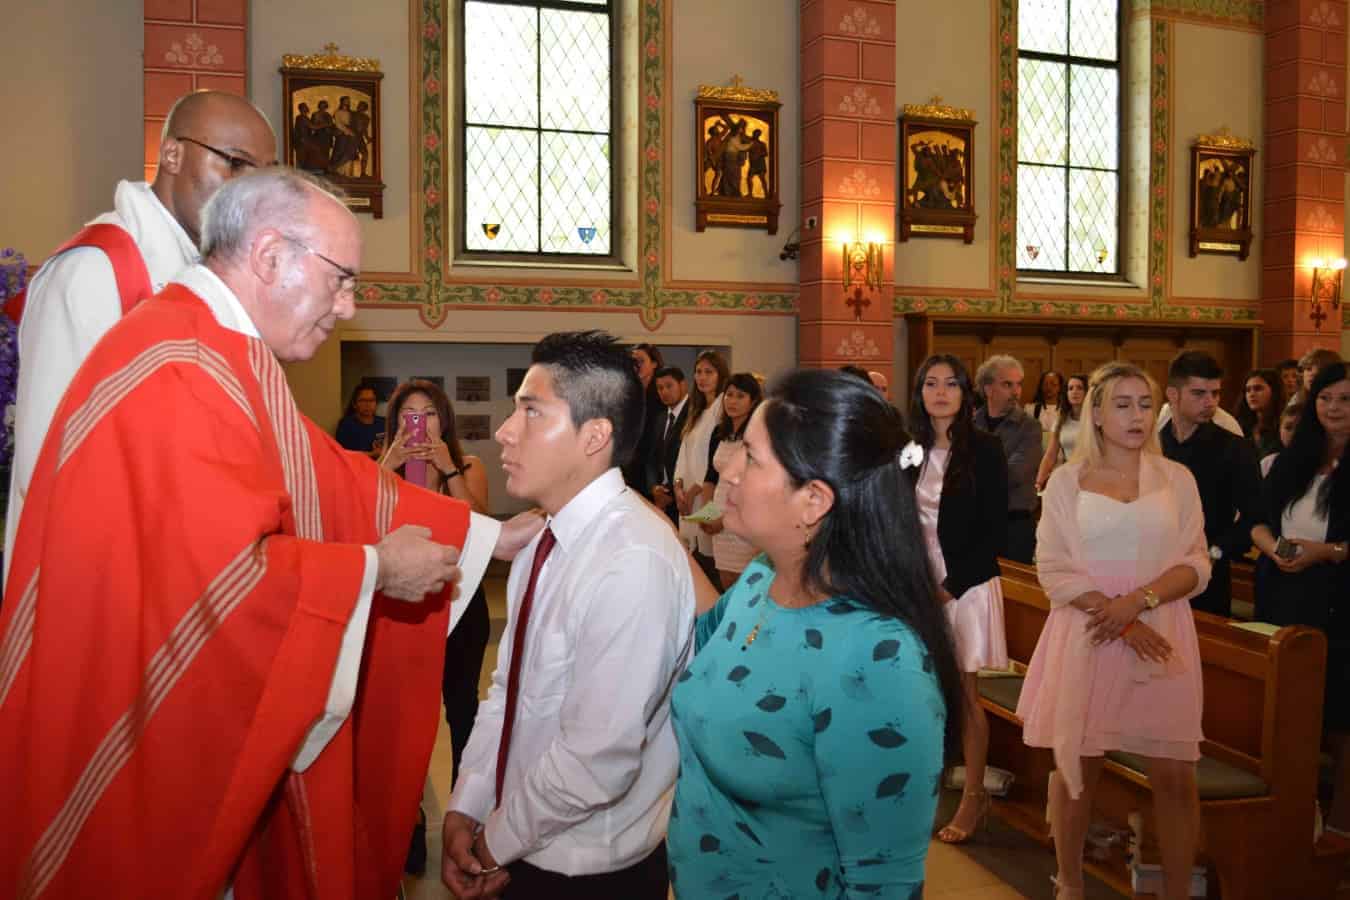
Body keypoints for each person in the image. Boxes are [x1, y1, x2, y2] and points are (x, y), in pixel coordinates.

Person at [0, 168, 546, 898]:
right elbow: (219, 583)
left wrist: (484, 536)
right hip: (136, 733)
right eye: (341, 280)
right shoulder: (185, 365)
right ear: (268, 257)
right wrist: (376, 571)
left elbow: (329, 476)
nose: (347, 306)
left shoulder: (215, 345)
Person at [667, 369, 963, 898]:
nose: (728, 470)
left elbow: (882, 884)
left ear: (813, 500)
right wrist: (645, 527)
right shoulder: (763, 578)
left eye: (751, 457)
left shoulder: (877, 659)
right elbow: (708, 637)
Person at [441, 330, 694, 900]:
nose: (506, 431)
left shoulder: (633, 559)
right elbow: (508, 691)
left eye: (532, 412)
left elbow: (597, 758)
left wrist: (493, 844)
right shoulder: (543, 538)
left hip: (587, 869)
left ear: (594, 436)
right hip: (518, 835)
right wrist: (468, 801)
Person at [4, 89, 277, 579]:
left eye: (263, 177)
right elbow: (49, 463)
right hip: (92, 574)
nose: (248, 194)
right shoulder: (96, 270)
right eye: (235, 164)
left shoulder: (208, 279)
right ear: (171, 154)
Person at [1016, 362, 1210, 900]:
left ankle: (1177, 891)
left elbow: (1196, 562)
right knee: (1079, 768)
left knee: (1176, 775)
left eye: (1145, 404)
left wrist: (1138, 603)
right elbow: (1053, 568)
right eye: (1122, 405)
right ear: (1096, 414)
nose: (1136, 416)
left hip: (1161, 633)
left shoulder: (1177, 479)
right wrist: (1120, 619)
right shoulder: (1067, 480)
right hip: (1090, 632)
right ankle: (1070, 880)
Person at [379, 378, 493, 875]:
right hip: (404, 607)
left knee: (463, 711)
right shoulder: (383, 470)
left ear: (443, 421)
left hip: (461, 604)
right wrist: (389, 465)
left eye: (429, 414)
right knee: (407, 721)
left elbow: (480, 526)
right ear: (397, 422)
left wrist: (447, 469)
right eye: (411, 414)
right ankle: (409, 821)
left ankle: (463, 824)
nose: (420, 424)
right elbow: (361, 519)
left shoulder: (468, 466)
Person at [908, 355, 1009, 844]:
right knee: (920, 692)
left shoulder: (985, 449)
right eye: (931, 384)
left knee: (966, 694)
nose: (940, 392)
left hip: (964, 584)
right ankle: (919, 787)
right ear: (920, 392)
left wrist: (946, 589)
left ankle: (973, 794)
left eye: (951, 383)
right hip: (918, 584)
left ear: (966, 392)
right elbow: (896, 512)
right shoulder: (911, 449)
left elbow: (993, 531)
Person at [1250, 363, 1350, 832]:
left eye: (1345, 399)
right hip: (1284, 592)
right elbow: (1256, 518)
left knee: (1339, 714)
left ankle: (1340, 821)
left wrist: (1327, 552)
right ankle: (1292, 813)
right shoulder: (1294, 458)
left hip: (1340, 599)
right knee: (1289, 712)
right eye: (1326, 398)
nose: (1334, 408)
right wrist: (1274, 549)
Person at [1158, 351, 1261, 617]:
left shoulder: (1235, 448)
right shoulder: (1152, 444)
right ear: (1173, 394)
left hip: (1208, 573)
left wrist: (1215, 552)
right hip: (1153, 569)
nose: (1210, 402)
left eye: (1215, 393)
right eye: (1199, 393)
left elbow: (1255, 515)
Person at [696, 371, 764, 588]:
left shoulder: (758, 434)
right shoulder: (719, 432)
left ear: (753, 401)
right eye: (729, 394)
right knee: (725, 583)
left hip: (744, 517)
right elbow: (710, 477)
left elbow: (757, 484)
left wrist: (724, 519)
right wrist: (708, 513)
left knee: (747, 586)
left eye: (740, 396)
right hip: (718, 516)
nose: (732, 401)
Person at [974, 354, 1042, 563]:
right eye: (1007, 384)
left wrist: (970, 474)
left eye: (1019, 384)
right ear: (988, 389)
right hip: (976, 521)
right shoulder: (970, 424)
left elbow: (1014, 474)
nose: (1016, 391)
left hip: (1014, 524)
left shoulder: (1029, 427)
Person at [674, 350, 730, 581]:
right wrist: (678, 487)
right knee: (693, 561)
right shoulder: (696, 410)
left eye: (709, 372)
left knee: (711, 563)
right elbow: (684, 453)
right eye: (698, 372)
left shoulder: (722, 408)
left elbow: (714, 458)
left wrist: (693, 491)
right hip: (688, 496)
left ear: (720, 375)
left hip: (705, 494)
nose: (702, 377)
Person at [620, 342, 663, 498]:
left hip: (654, 471)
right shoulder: (628, 394)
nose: (636, 365)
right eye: (634, 361)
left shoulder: (661, 395)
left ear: (654, 364)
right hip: (630, 468)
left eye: (641, 361)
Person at [648, 365, 689, 526]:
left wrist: (671, 493)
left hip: (685, 495)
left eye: (669, 386)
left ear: (683, 385)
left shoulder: (694, 414)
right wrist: (654, 488)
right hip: (661, 496)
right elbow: (651, 459)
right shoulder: (660, 418)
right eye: (660, 388)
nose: (664, 392)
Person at [1037, 373, 1087, 492]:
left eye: (1079, 388)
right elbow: (1050, 456)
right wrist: (1039, 481)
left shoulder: (1097, 420)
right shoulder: (1061, 420)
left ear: (1087, 392)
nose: (1074, 392)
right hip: (1069, 477)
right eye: (1070, 388)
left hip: (1093, 477)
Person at [1236, 368, 1284, 458]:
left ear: (1274, 391)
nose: (1251, 394)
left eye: (1258, 389)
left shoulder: (1284, 424)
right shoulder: (1241, 426)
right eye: (1248, 390)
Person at [335, 381, 386, 456]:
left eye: (371, 400)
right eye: (363, 400)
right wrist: (372, 454)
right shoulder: (346, 425)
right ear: (354, 404)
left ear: (376, 403)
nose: (368, 404)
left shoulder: (384, 423)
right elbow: (342, 453)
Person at [1261, 400, 1303, 477]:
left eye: (1300, 428)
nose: (1294, 433)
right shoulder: (1268, 463)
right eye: (1288, 428)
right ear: (1280, 430)